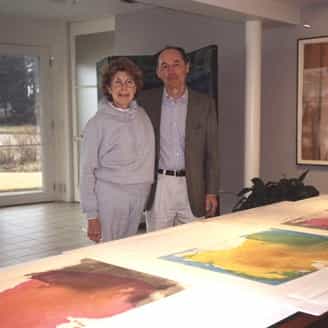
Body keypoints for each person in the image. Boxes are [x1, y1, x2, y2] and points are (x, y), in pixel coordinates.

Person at [138, 46, 219, 232]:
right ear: (158, 72)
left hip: (193, 186)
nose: (171, 71)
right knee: (156, 244)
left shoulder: (204, 103)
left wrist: (212, 191)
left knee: (194, 244)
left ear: (187, 67)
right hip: (159, 186)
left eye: (176, 64)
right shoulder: (145, 102)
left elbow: (212, 151)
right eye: (164, 66)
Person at [80, 57, 155, 242]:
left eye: (129, 82)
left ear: (135, 87)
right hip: (110, 196)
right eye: (118, 82)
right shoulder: (97, 123)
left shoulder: (142, 115)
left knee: (126, 250)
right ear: (108, 88)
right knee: (107, 253)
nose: (124, 88)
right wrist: (91, 215)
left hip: (138, 194)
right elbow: (86, 170)